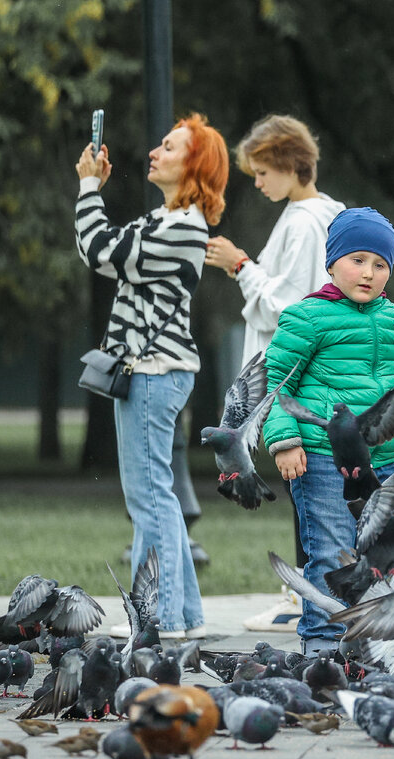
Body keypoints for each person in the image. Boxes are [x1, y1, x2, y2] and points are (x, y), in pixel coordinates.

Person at [74, 113, 229, 640]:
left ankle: (158, 617)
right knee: (155, 494)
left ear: (194, 166)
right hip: (153, 372)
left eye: (170, 147)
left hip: (154, 371)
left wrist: (88, 186)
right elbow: (108, 249)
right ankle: (180, 616)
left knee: (149, 497)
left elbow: (98, 252)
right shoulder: (163, 221)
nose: (155, 152)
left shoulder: (180, 225)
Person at [260, 207, 394, 657]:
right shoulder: (306, 317)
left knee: (382, 555)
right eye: (357, 259)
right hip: (322, 458)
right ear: (332, 262)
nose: (369, 272)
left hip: (383, 462)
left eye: (381, 265)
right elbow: (274, 382)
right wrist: (285, 440)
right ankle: (322, 647)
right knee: (330, 552)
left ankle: (373, 645)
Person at [203, 114, 346, 633]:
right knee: (305, 483)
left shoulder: (307, 221)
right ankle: (308, 591)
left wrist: (240, 265)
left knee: (302, 481)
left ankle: (302, 595)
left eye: (263, 171)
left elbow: (292, 305)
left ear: (289, 162)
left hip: (292, 372)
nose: (258, 182)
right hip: (311, 373)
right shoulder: (320, 213)